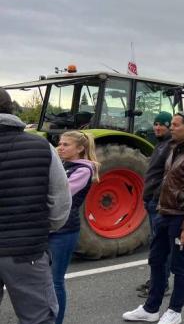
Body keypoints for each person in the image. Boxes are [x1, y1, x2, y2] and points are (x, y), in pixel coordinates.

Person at [123, 109, 184, 324]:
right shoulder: (173, 151)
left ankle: (174, 312)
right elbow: (165, 182)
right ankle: (151, 309)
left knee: (180, 266)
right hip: (164, 214)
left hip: (181, 219)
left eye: (176, 124)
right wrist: (159, 207)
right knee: (156, 260)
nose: (171, 127)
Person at [0, 87, 72, 324]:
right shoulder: (42, 147)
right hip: (26, 252)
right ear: (12, 109)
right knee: (38, 318)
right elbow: (61, 203)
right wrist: (38, 230)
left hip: (24, 246)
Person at [50, 131, 99, 324]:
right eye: (60, 144)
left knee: (55, 281)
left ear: (80, 148)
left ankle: (56, 320)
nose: (60, 147)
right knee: (43, 281)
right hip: (50, 227)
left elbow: (62, 194)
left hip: (64, 229)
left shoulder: (83, 170)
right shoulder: (62, 165)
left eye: (66, 145)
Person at [138, 111, 173, 297]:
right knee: (157, 244)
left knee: (160, 245)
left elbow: (168, 177)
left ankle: (161, 283)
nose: (157, 127)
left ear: (169, 126)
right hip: (152, 200)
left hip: (157, 202)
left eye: (162, 124)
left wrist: (156, 197)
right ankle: (156, 280)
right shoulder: (160, 144)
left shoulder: (169, 146)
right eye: (156, 124)